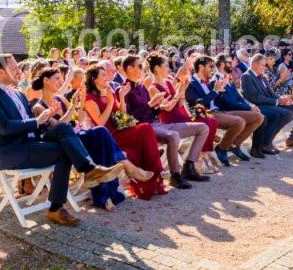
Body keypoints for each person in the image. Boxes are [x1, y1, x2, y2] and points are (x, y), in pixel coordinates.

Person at [0, 53, 123, 226]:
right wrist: (37, 120)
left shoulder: (19, 94)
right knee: (64, 152)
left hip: (30, 141)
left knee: (62, 128)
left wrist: (46, 117)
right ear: (1, 73)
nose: (19, 71)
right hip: (10, 150)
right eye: (14, 68)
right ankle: (58, 206)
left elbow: (33, 124)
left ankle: (89, 170)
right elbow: (4, 128)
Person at [32, 68, 152, 211]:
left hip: (75, 133)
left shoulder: (61, 99)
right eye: (57, 78)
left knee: (101, 137)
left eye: (61, 78)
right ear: (46, 80)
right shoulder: (39, 107)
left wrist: (79, 102)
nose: (61, 82)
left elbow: (79, 120)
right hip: (62, 142)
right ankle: (129, 169)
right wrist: (72, 108)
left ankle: (106, 195)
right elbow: (59, 127)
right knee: (100, 133)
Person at [118, 55, 208, 189]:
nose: (143, 69)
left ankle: (189, 167)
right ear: (130, 68)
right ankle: (175, 175)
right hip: (143, 128)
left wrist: (159, 107)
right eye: (140, 66)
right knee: (173, 136)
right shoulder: (124, 90)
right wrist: (151, 105)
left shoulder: (141, 87)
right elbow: (129, 118)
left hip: (158, 123)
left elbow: (154, 111)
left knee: (203, 127)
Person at [84, 64, 165, 200]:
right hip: (109, 137)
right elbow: (100, 124)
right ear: (94, 79)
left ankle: (154, 176)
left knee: (145, 129)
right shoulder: (89, 98)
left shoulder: (108, 92)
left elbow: (122, 115)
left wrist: (121, 97)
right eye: (103, 75)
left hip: (121, 130)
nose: (106, 78)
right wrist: (110, 102)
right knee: (145, 129)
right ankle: (149, 172)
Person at [186, 55, 265, 165]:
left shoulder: (209, 81)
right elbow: (198, 103)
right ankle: (222, 148)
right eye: (210, 66)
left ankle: (233, 145)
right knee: (239, 121)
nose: (213, 69)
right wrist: (215, 91)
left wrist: (219, 89)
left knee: (259, 117)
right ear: (201, 67)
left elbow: (229, 99)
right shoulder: (191, 83)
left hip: (221, 111)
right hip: (208, 114)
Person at [147, 55, 218, 174]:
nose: (169, 69)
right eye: (166, 66)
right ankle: (194, 163)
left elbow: (179, 103)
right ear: (157, 68)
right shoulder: (152, 88)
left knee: (209, 121)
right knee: (205, 124)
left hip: (180, 117)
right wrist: (178, 92)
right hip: (169, 122)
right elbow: (168, 108)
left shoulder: (168, 83)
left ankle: (193, 163)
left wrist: (183, 87)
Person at [241, 54, 293, 153]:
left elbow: (272, 94)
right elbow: (255, 98)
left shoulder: (263, 77)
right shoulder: (247, 76)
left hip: (272, 104)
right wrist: (277, 101)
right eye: (262, 65)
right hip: (259, 107)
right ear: (254, 64)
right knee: (287, 114)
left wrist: (282, 98)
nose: (264, 67)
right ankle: (266, 143)